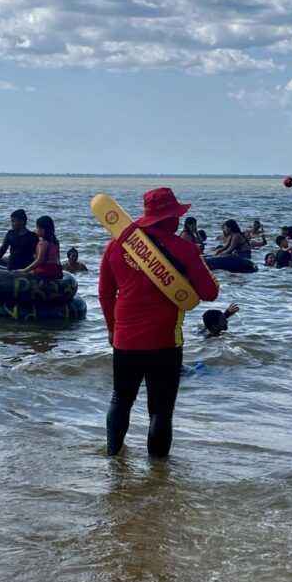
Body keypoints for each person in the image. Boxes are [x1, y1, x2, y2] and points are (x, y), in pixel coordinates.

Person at [98, 187, 219, 458]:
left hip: (124, 340)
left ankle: (112, 460)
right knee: (161, 411)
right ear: (170, 218)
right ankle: (159, 476)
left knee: (120, 400)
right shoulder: (185, 249)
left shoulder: (116, 244)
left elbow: (105, 293)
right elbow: (210, 292)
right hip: (164, 341)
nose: (178, 221)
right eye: (176, 215)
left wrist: (110, 329)